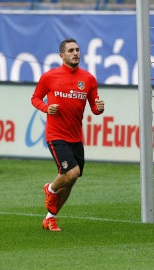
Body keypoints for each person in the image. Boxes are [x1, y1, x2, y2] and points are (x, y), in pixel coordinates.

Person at [31, 38, 105, 231]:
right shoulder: (50, 76)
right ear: (62, 55)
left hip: (76, 137)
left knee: (71, 181)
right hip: (56, 135)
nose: (76, 53)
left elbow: (95, 108)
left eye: (78, 50)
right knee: (71, 173)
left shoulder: (88, 79)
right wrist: (47, 108)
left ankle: (50, 218)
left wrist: (99, 109)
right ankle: (50, 189)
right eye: (71, 50)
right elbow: (35, 98)